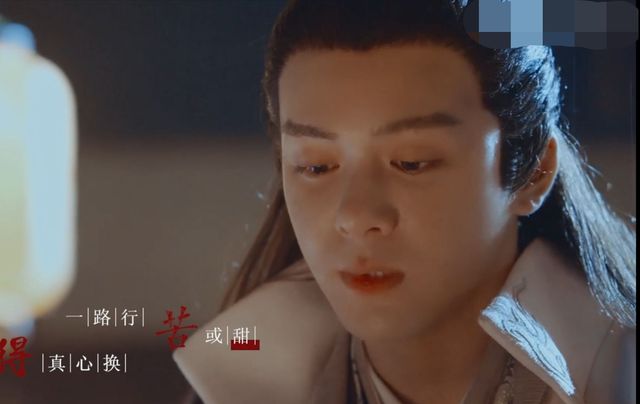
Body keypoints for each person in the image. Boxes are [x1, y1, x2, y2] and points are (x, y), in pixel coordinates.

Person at [174, 1, 636, 403]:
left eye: (412, 163)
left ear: (533, 172)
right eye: (316, 166)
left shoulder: (614, 376)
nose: (357, 216)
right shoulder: (237, 381)